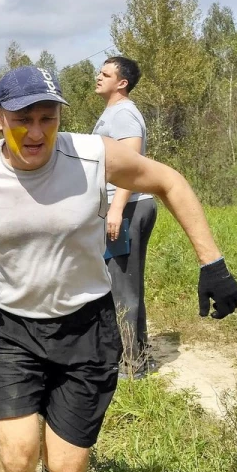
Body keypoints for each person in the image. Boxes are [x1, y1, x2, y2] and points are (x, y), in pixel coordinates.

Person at [0, 65, 237, 472]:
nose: (36, 132)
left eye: (47, 118)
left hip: (85, 327)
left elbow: (169, 181)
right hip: (7, 326)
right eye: (22, 120)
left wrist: (213, 264)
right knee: (14, 456)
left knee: (66, 470)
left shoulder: (91, 156)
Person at [93, 56, 157, 379]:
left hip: (128, 206)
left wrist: (116, 208)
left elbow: (130, 163)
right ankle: (139, 356)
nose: (98, 76)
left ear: (122, 83)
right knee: (127, 284)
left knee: (121, 288)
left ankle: (131, 367)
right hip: (126, 205)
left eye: (106, 73)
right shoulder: (113, 113)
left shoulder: (125, 114)